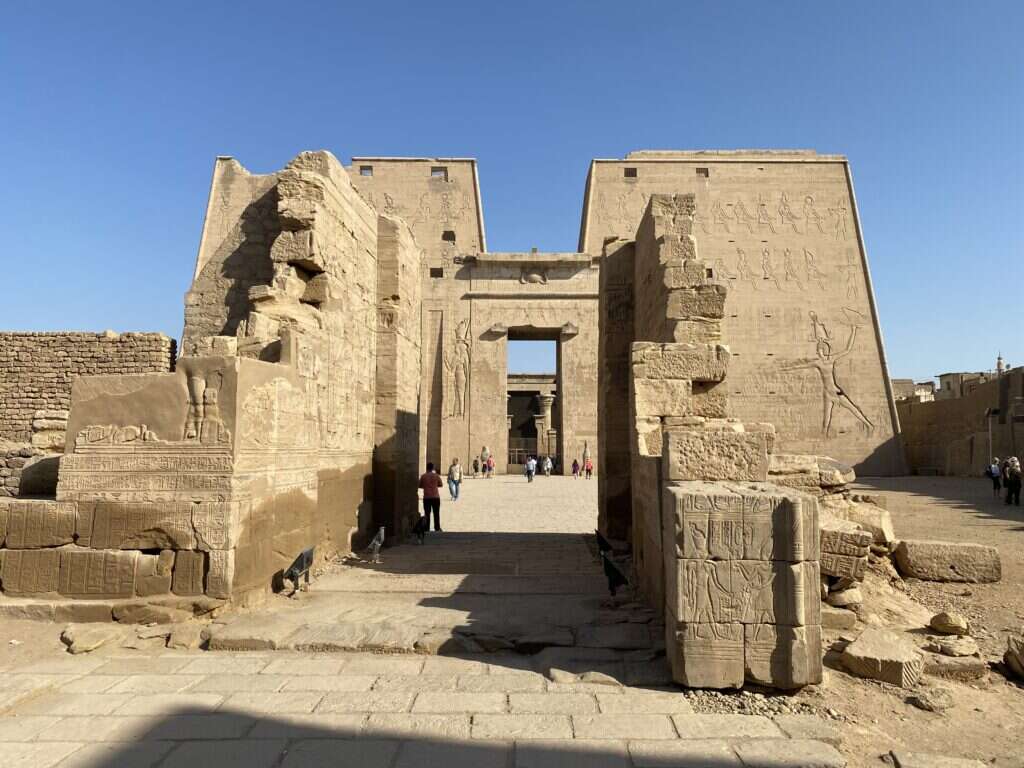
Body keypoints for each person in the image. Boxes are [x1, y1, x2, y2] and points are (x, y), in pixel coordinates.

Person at [418, 462, 444, 531]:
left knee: (427, 513)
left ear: (427, 468)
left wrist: (426, 486)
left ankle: (427, 528)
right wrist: (435, 486)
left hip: (427, 497)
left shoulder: (423, 476)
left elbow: (419, 485)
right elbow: (441, 484)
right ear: (433, 468)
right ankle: (437, 527)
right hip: (435, 497)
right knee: (436, 513)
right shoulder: (436, 476)